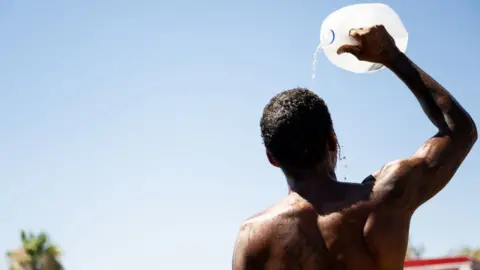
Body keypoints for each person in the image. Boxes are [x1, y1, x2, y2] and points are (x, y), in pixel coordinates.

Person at [232, 25, 477, 270]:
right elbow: (460, 131)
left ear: (272, 158)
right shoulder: (383, 197)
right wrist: (391, 56)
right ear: (332, 141)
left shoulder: (253, 238)